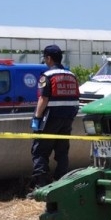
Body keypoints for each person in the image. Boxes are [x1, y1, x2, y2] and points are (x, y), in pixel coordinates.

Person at [28, 45, 80, 194]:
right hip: (68, 118)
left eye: (45, 58)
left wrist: (37, 117)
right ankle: (61, 183)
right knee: (62, 152)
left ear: (49, 58)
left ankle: (41, 185)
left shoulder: (47, 76)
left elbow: (43, 99)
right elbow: (77, 99)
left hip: (50, 118)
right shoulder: (72, 75)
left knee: (40, 152)